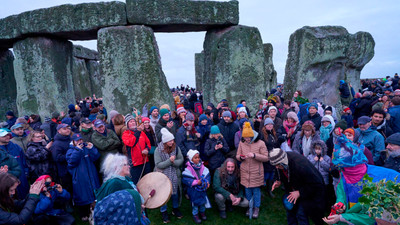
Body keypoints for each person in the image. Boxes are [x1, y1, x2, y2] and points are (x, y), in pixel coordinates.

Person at [323, 135, 400, 225]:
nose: (343, 170)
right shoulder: (345, 173)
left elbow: (374, 218)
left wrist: (342, 217)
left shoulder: (379, 179)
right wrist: (340, 203)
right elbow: (342, 191)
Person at [269, 148, 326, 225]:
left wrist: (299, 192)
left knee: (301, 213)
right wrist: (278, 180)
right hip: (293, 189)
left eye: (278, 165)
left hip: (309, 192)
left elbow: (316, 183)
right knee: (290, 210)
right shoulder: (281, 162)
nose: (276, 167)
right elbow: (279, 171)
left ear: (283, 161)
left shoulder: (300, 165)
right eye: (275, 165)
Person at [236, 122, 269, 219]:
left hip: (256, 172)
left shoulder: (261, 143)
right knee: (247, 190)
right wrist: (241, 158)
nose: (247, 139)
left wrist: (255, 155)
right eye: (245, 138)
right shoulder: (242, 143)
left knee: (256, 191)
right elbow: (237, 155)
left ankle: (256, 208)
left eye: (249, 137)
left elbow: (266, 158)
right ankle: (249, 206)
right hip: (245, 171)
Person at [66, 133, 100, 221]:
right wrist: (77, 150)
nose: (80, 142)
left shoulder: (86, 148)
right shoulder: (70, 151)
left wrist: (92, 149)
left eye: (81, 140)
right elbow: (72, 162)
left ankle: (95, 211)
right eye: (77, 140)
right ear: (73, 142)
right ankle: (83, 214)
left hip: (91, 175)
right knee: (82, 195)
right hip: (80, 177)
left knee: (93, 193)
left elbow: (96, 157)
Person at [154, 128, 184, 223]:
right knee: (164, 194)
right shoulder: (158, 150)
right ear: (165, 141)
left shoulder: (176, 148)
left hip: (174, 173)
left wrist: (173, 162)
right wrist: (169, 161)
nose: (172, 142)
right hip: (163, 175)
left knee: (175, 193)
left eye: (172, 140)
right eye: (170, 140)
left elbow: (181, 159)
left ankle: (175, 209)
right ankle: (164, 211)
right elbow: (158, 164)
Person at [182, 149, 211, 224]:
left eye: (198, 157)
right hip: (193, 190)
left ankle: (202, 212)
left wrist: (207, 182)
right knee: (195, 203)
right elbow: (186, 178)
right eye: (195, 158)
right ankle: (195, 214)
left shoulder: (202, 166)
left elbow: (207, 174)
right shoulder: (188, 168)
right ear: (191, 159)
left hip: (202, 188)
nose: (198, 159)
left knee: (202, 202)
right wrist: (196, 182)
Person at [0, 127, 29, 198]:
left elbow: (24, 160)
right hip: (7, 183)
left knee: (25, 198)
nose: (7, 137)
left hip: (22, 179)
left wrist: (26, 172)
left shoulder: (16, 147)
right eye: (4, 136)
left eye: (7, 135)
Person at [122, 114, 151, 184]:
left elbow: (148, 143)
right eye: (130, 121)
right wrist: (138, 132)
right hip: (135, 164)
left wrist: (147, 149)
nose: (133, 123)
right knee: (137, 183)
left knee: (148, 181)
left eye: (134, 121)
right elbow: (132, 143)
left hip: (145, 161)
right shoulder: (125, 134)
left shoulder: (141, 133)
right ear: (127, 124)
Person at [51, 123, 72, 192]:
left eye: (68, 128)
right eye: (64, 129)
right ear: (59, 131)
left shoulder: (70, 139)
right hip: (64, 172)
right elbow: (56, 158)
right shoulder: (57, 143)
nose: (67, 130)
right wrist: (71, 156)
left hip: (72, 169)